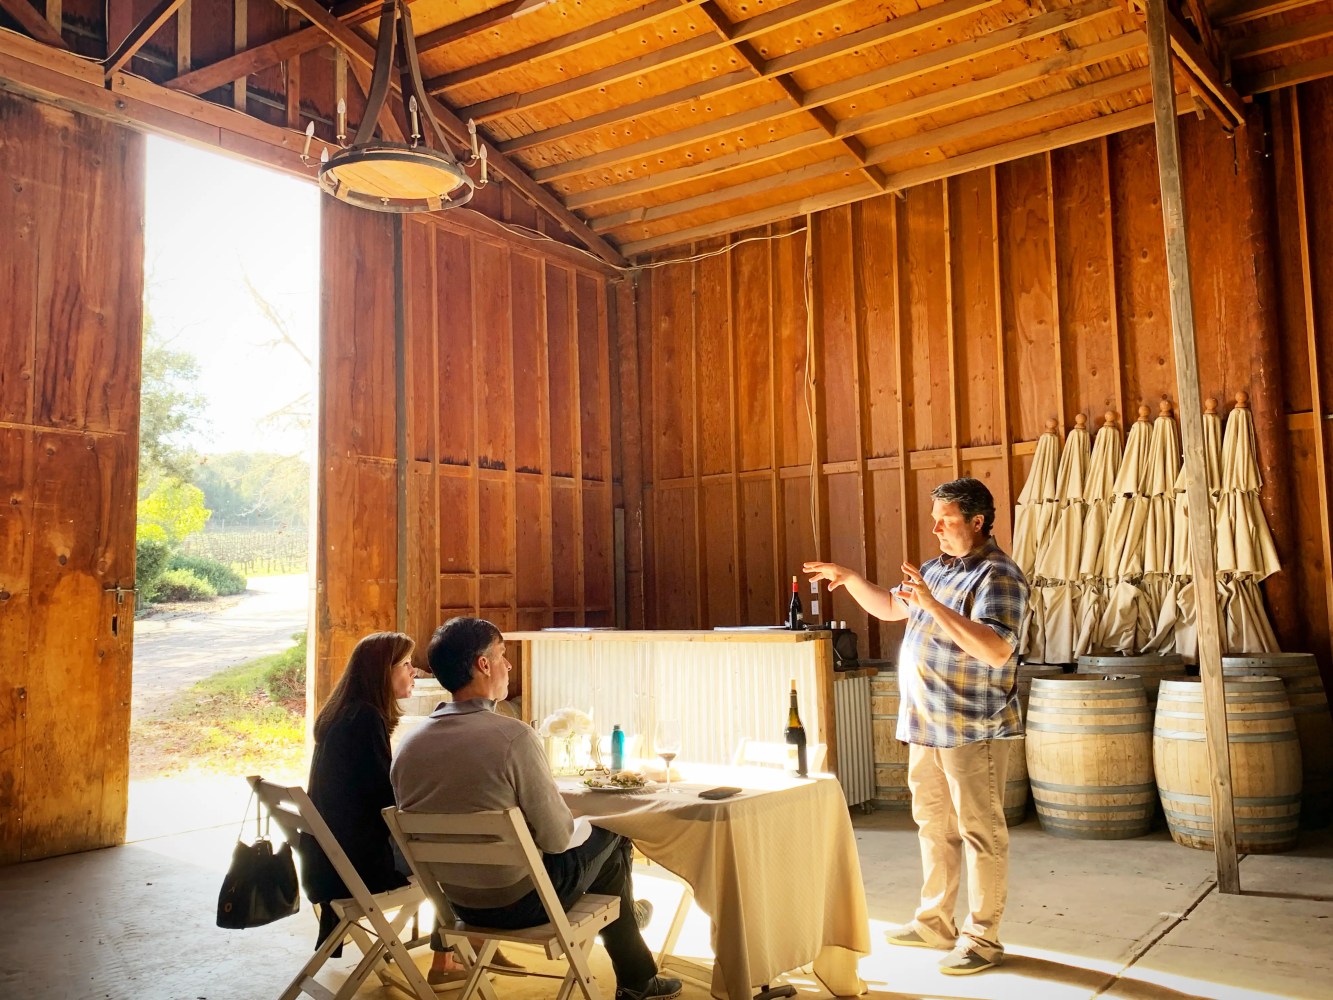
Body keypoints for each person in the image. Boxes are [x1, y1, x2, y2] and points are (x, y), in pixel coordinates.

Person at [804, 477, 1027, 976]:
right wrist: (851, 578)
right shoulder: (935, 570)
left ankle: (983, 938)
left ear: (977, 521)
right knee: (934, 827)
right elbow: (890, 607)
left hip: (974, 728)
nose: (936, 529)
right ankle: (935, 923)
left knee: (980, 832)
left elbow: (995, 649)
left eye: (946, 520)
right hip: (926, 724)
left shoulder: (999, 576)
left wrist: (932, 605)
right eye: (935, 519)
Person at [391, 617, 682, 1000]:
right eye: (502, 655)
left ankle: (629, 937)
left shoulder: (408, 746)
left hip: (458, 905)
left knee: (598, 848)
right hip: (523, 903)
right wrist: (587, 820)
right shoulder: (513, 737)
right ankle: (632, 955)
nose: (508, 665)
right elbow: (557, 838)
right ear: (483, 665)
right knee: (613, 833)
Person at [300, 631, 519, 984]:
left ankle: (467, 949)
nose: (413, 671)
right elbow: (387, 802)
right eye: (404, 664)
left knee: (443, 843)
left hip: (328, 860)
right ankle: (455, 955)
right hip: (359, 865)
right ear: (380, 672)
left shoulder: (344, 715)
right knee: (455, 850)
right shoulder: (364, 721)